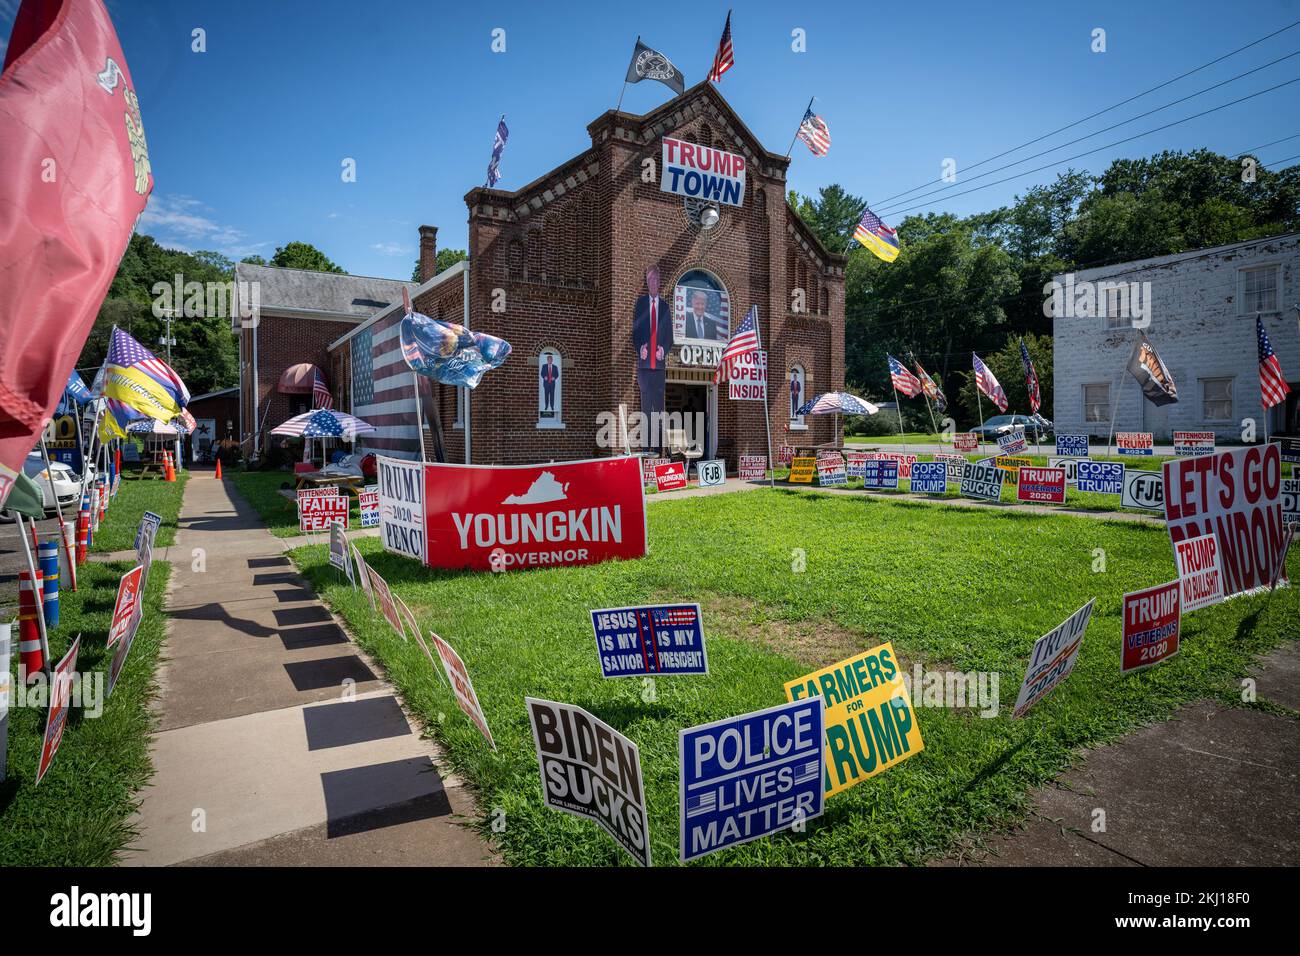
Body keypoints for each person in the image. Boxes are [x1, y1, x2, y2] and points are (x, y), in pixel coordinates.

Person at [633, 266, 674, 451]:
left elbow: (670, 337)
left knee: (657, 409)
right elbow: (635, 333)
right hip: (643, 367)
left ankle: (657, 451)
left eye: (656, 280)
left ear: (659, 283)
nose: (653, 284)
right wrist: (640, 346)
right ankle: (645, 450)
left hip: (658, 367)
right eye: (649, 280)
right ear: (647, 282)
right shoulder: (640, 304)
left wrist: (663, 350)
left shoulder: (665, 307)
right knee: (645, 409)